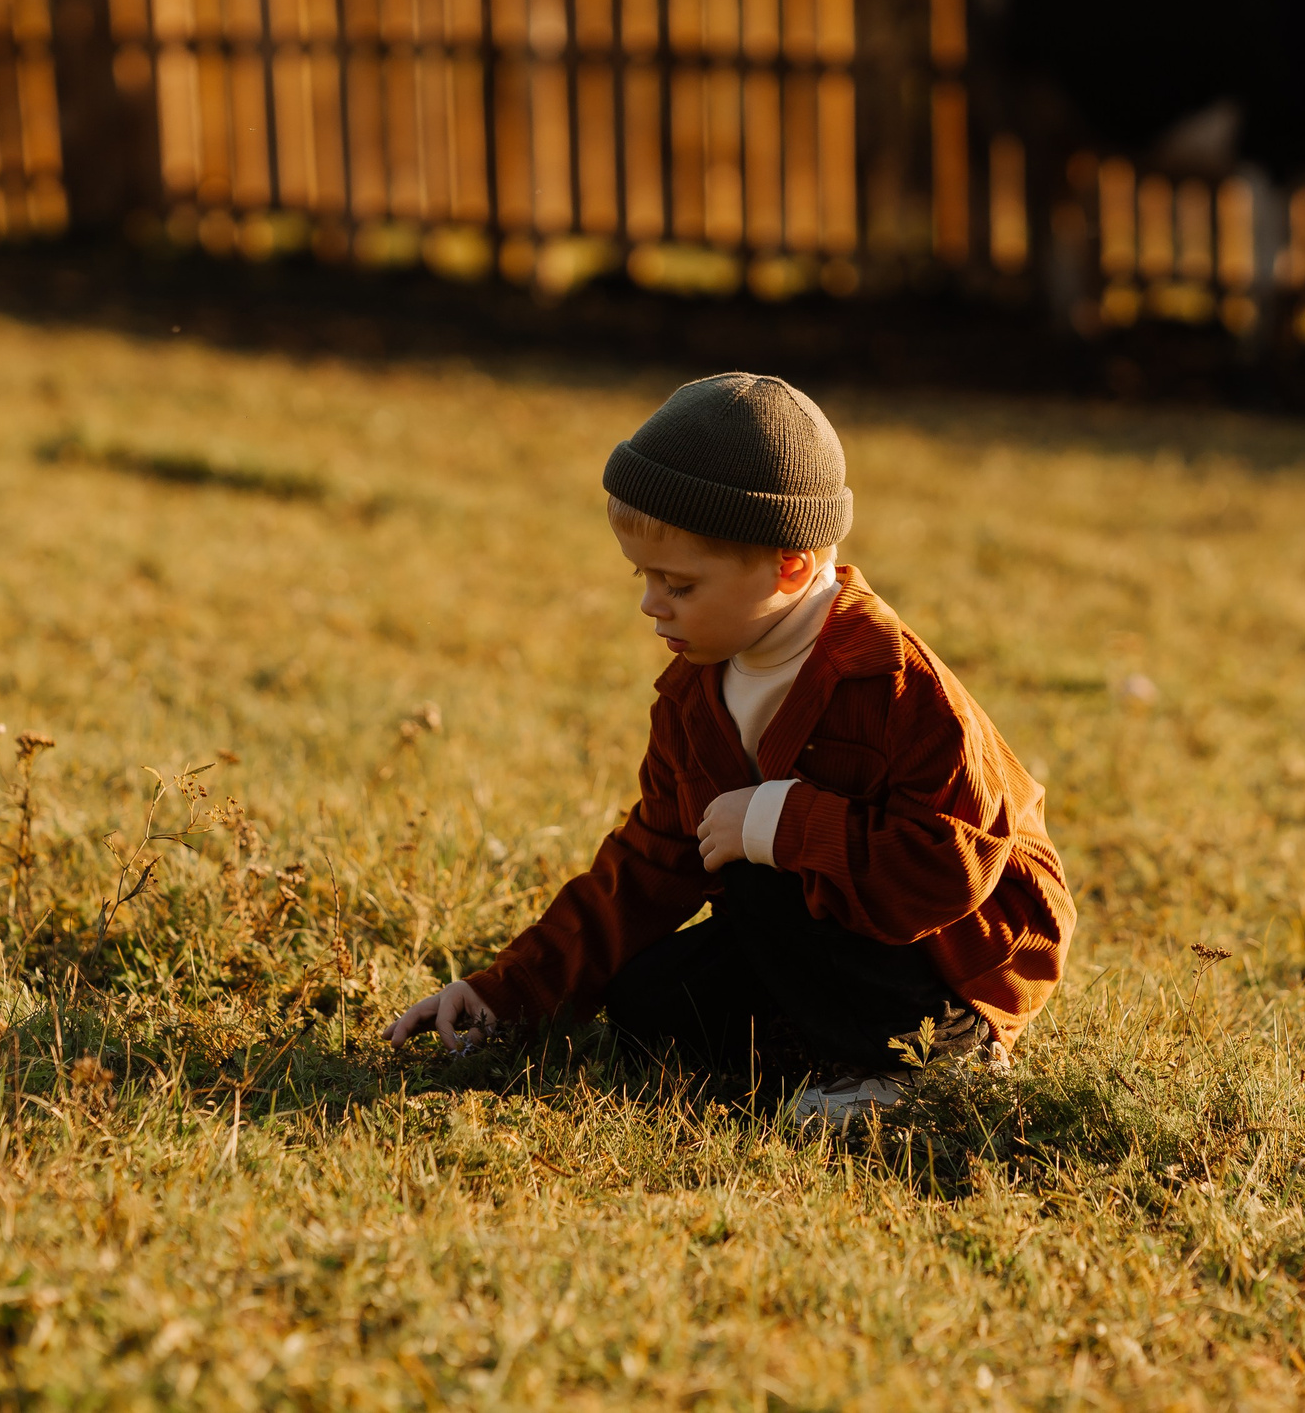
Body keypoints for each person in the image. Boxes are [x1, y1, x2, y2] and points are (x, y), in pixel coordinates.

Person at [383, 372, 1074, 1122]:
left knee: (757, 872)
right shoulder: (692, 696)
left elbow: (951, 869)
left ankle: (941, 1064)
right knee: (647, 999)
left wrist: (789, 823)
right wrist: (501, 991)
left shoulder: (896, 685)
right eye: (643, 576)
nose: (651, 603)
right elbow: (651, 862)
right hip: (808, 928)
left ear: (791, 565)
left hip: (957, 950)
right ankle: (825, 1058)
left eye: (678, 583)